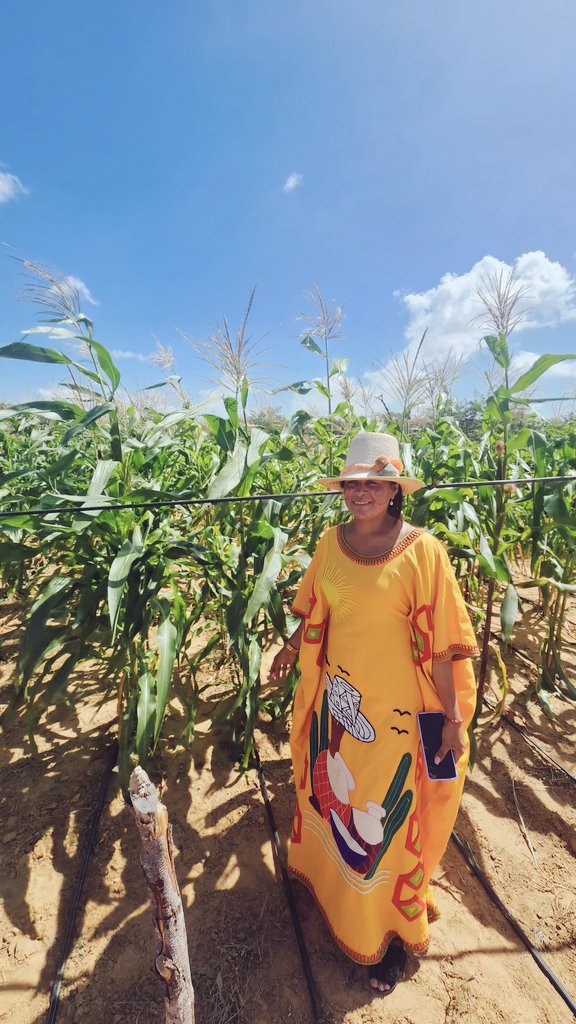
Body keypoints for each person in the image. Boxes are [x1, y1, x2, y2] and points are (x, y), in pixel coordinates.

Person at [269, 431, 478, 994]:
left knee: (379, 821)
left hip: (393, 720)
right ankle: (338, 901)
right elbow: (314, 607)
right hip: (338, 706)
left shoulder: (423, 551)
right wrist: (290, 648)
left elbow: (441, 647)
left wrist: (454, 720)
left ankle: (388, 934)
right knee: (332, 795)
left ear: (393, 490)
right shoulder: (330, 543)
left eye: (372, 484)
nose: (360, 493)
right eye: (351, 484)